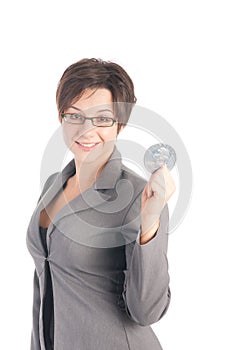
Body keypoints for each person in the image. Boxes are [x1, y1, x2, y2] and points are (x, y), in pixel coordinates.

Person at [26, 58, 176, 350]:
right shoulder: (53, 185)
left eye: (102, 119)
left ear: (119, 124)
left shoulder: (137, 195)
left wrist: (150, 222)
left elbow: (146, 311)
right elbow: (44, 286)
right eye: (75, 116)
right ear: (61, 117)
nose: (86, 129)